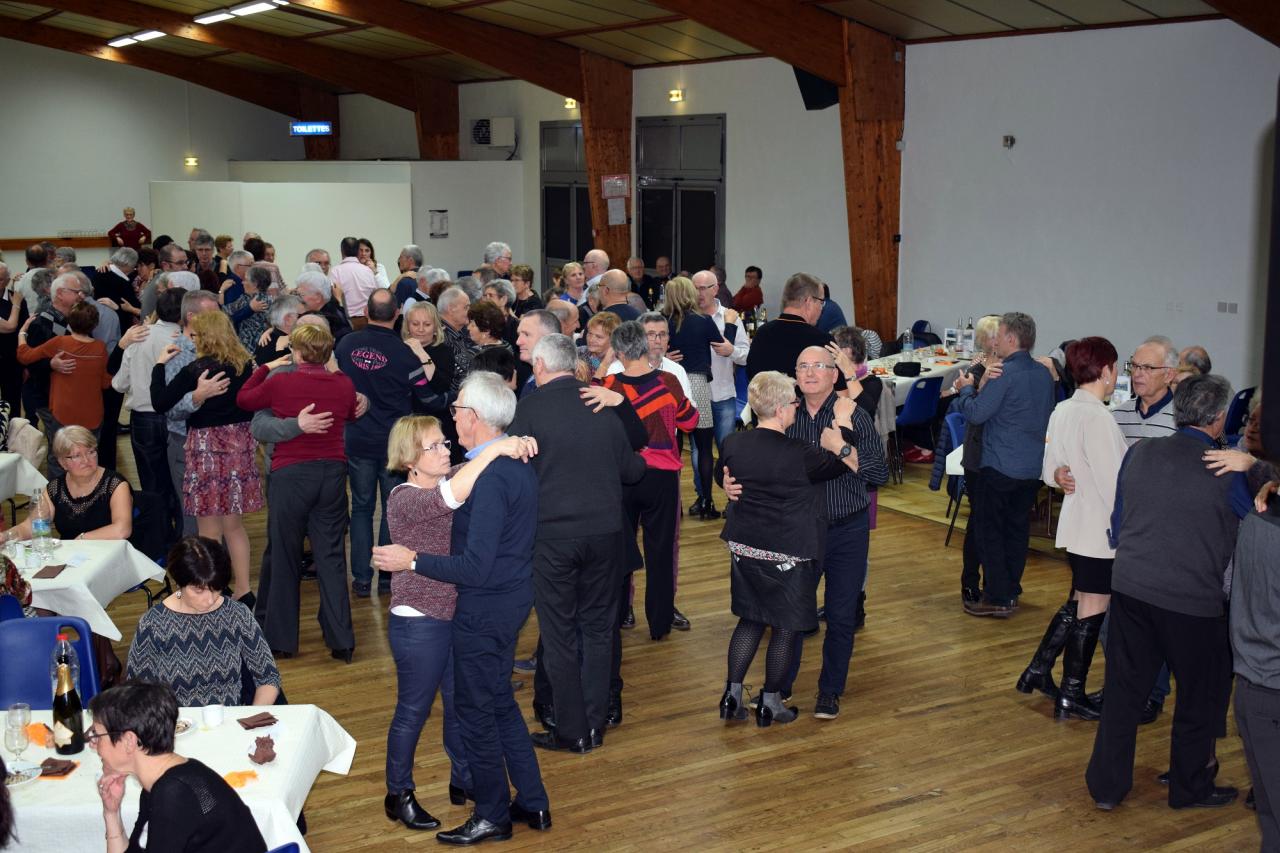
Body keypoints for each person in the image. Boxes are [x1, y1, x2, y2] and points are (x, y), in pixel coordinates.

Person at [373, 372, 551, 845]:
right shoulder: (498, 467)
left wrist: (411, 559)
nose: (452, 421)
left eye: (456, 411)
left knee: (476, 712)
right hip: (500, 602)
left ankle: (492, 813)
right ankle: (532, 801)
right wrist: (506, 443)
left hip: (484, 608)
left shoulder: (488, 476)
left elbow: (473, 567)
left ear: (473, 417)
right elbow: (450, 495)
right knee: (496, 704)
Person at [1085, 374, 1246, 811]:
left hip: (1132, 587)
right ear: (1218, 419)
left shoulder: (1140, 453)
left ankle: (1106, 787)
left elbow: (1118, 525)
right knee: (1200, 696)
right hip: (1193, 601)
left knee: (1123, 690)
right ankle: (1190, 787)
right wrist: (1255, 468)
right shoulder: (1227, 472)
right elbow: (1258, 521)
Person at [508, 335, 647, 752]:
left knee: (560, 632)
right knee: (599, 630)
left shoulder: (529, 409)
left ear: (540, 366)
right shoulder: (602, 403)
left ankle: (571, 730)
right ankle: (595, 723)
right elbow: (633, 471)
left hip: (553, 538)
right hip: (606, 535)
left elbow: (514, 471)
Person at [715, 371, 864, 726]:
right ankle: (771, 702)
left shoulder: (734, 442)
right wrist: (843, 424)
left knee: (750, 620)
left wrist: (724, 483)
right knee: (784, 628)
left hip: (745, 548)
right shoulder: (800, 453)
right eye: (794, 403)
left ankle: (730, 696)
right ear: (782, 409)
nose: (797, 408)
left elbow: (722, 470)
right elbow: (844, 463)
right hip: (788, 554)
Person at [1016, 337, 1127, 720]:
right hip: (1100, 529)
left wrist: (1060, 474)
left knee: (1080, 601)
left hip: (1078, 525)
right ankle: (1071, 692)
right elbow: (1115, 484)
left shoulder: (1064, 408)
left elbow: (1049, 470)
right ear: (1107, 369)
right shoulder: (1098, 416)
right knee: (1093, 607)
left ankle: (1039, 669)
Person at [237, 323, 358, 661]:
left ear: (298, 352)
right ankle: (342, 641)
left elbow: (244, 398)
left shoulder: (281, 380)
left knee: (286, 556)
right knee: (331, 557)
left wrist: (265, 366)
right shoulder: (343, 383)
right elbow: (349, 413)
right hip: (332, 474)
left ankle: (280, 641)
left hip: (291, 476)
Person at [337, 289, 445, 598]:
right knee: (390, 511)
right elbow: (427, 397)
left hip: (356, 439)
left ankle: (360, 578)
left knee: (360, 508)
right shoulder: (403, 353)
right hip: (394, 445)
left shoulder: (345, 345)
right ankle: (386, 578)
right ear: (397, 314)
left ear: (366, 311)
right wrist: (454, 400)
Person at [151, 310, 262, 605]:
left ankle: (213, 587)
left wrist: (160, 364)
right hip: (240, 446)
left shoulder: (197, 369)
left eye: (196, 335)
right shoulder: (245, 366)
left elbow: (160, 402)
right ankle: (243, 588)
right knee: (234, 527)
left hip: (207, 449)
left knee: (208, 529)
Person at [952, 312, 1054, 617]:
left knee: (990, 531)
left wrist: (966, 388)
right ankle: (1010, 590)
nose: (995, 339)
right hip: (1030, 468)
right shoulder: (1042, 374)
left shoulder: (1003, 373)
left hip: (999, 465)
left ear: (1011, 338)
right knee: (1016, 531)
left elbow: (977, 413)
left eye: (1001, 334)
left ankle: (996, 595)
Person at [91, 681, 268, 853]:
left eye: (98, 736)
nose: (93, 744)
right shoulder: (160, 782)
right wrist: (111, 813)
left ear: (129, 741)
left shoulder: (174, 793)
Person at [605, 321, 698, 640]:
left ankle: (618, 615)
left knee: (620, 549)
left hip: (622, 476)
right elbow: (690, 421)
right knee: (661, 552)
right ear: (645, 347)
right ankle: (659, 624)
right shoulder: (669, 381)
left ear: (618, 352)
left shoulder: (610, 386)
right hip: (663, 477)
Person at [127, 537, 280, 706]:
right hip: (177, 725)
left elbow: (268, 677)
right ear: (179, 582)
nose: (209, 600)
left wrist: (250, 720)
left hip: (230, 722)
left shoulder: (236, 614)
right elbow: (137, 693)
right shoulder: (154, 624)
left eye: (216, 589)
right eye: (198, 590)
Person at [662, 276, 737, 520]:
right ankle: (707, 502)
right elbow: (724, 346)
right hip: (696, 384)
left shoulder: (664, 322)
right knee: (704, 447)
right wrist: (731, 324)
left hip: (670, 384)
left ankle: (674, 503)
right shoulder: (703, 321)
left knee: (671, 446)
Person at [5, 426, 132, 542]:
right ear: (62, 462)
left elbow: (122, 530)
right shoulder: (55, 488)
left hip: (112, 553)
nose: (86, 460)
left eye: (91, 452)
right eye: (76, 456)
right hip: (73, 557)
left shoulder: (115, 484)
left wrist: (82, 539)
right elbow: (31, 526)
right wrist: (6, 536)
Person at [691, 269, 749, 517]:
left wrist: (731, 351)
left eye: (705, 287)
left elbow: (746, 354)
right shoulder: (687, 316)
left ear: (716, 289)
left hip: (724, 393)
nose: (700, 293)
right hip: (695, 395)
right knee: (696, 451)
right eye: (696, 288)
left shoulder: (731, 318)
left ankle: (732, 500)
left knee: (728, 450)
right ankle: (703, 497)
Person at [16, 301, 112, 436]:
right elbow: (105, 382)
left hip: (63, 413)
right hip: (92, 414)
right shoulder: (100, 348)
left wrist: (22, 333)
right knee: (89, 453)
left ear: (70, 321)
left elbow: (24, 356)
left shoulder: (60, 342)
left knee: (61, 454)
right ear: (95, 324)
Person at [745, 273, 840, 384]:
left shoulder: (761, 333)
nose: (821, 308)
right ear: (809, 302)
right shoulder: (822, 341)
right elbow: (840, 392)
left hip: (765, 400)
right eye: (821, 302)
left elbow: (752, 376)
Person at [331, 236, 380, 329]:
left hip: (346, 321)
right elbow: (376, 295)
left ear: (342, 251)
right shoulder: (368, 271)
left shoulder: (335, 271)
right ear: (358, 251)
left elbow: (333, 296)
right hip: (367, 321)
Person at [436, 286, 475, 395]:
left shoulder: (461, 331)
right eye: (466, 307)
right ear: (451, 308)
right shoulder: (441, 337)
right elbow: (462, 372)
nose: (469, 311)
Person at [254, 295, 302, 366]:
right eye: (300, 315)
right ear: (288, 319)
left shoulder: (266, 339)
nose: (306, 318)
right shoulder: (287, 349)